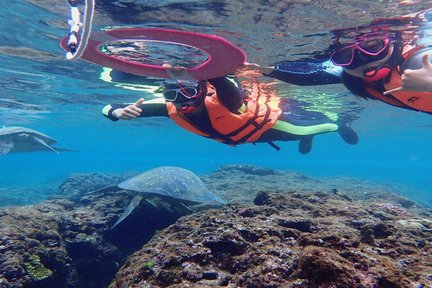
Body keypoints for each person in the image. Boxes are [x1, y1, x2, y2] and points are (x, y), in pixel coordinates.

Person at [102, 67, 358, 154]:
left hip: (270, 129)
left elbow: (226, 85)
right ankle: (311, 133)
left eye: (190, 91)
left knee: (318, 127)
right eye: (172, 94)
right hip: (238, 135)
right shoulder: (170, 107)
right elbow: (106, 107)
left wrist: (210, 70)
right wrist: (116, 114)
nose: (182, 100)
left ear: (202, 89)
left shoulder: (226, 100)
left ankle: (339, 123)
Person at [245, 15, 432, 114]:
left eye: (372, 46)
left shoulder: (420, 59)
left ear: (392, 42)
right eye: (345, 57)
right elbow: (310, 77)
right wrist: (266, 70)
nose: (362, 61)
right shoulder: (354, 76)